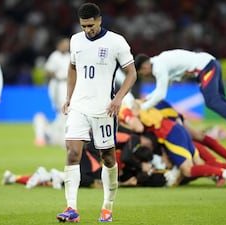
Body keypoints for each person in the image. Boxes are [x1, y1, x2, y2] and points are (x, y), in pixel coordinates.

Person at [56, 3, 137, 223]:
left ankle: (107, 207)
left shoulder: (116, 42)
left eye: (90, 25)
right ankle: (71, 208)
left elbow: (131, 73)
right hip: (79, 107)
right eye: (83, 26)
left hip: (104, 109)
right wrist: (68, 97)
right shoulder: (75, 40)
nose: (87, 30)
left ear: (99, 20)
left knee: (108, 157)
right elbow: (72, 68)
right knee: (73, 153)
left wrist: (118, 99)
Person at [134, 49, 226, 143]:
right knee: (221, 101)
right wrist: (146, 99)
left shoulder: (158, 67)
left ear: (145, 67)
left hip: (205, 67)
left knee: (212, 101)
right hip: (209, 63)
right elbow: (166, 85)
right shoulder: (160, 61)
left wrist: (142, 108)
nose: (144, 75)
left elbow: (161, 94)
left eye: (142, 73)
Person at [33, 38, 70, 147]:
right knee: (64, 109)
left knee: (65, 111)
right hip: (59, 84)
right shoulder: (55, 56)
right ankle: (56, 134)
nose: (66, 46)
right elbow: (47, 70)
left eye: (67, 44)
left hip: (68, 83)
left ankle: (52, 132)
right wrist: (57, 75)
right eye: (64, 44)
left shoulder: (69, 56)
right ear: (59, 45)